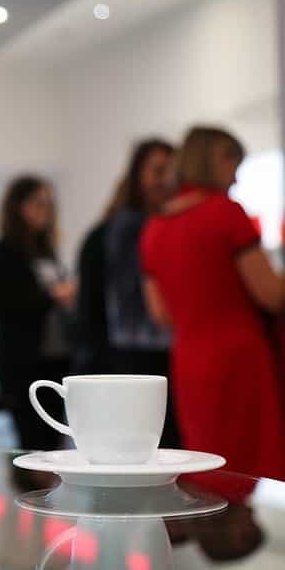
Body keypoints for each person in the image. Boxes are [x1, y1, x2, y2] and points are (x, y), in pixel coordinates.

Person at [141, 126, 285, 479]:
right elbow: (272, 294)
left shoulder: (154, 230)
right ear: (218, 159)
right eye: (234, 164)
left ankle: (214, 535)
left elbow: (161, 314)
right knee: (255, 467)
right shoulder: (226, 213)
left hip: (189, 360)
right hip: (239, 358)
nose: (236, 177)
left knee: (207, 468)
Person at [75, 139, 181, 448]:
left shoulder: (170, 228)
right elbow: (91, 315)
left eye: (172, 171)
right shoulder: (106, 236)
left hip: (170, 361)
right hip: (123, 368)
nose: (166, 180)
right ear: (137, 176)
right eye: (158, 170)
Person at [0, 176, 76, 452]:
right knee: (32, 441)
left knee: (54, 440)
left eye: (48, 204)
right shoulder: (1, 253)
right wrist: (54, 296)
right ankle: (29, 492)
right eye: (37, 203)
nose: (45, 211)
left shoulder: (47, 251)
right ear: (18, 207)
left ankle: (48, 493)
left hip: (57, 357)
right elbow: (2, 307)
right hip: (22, 361)